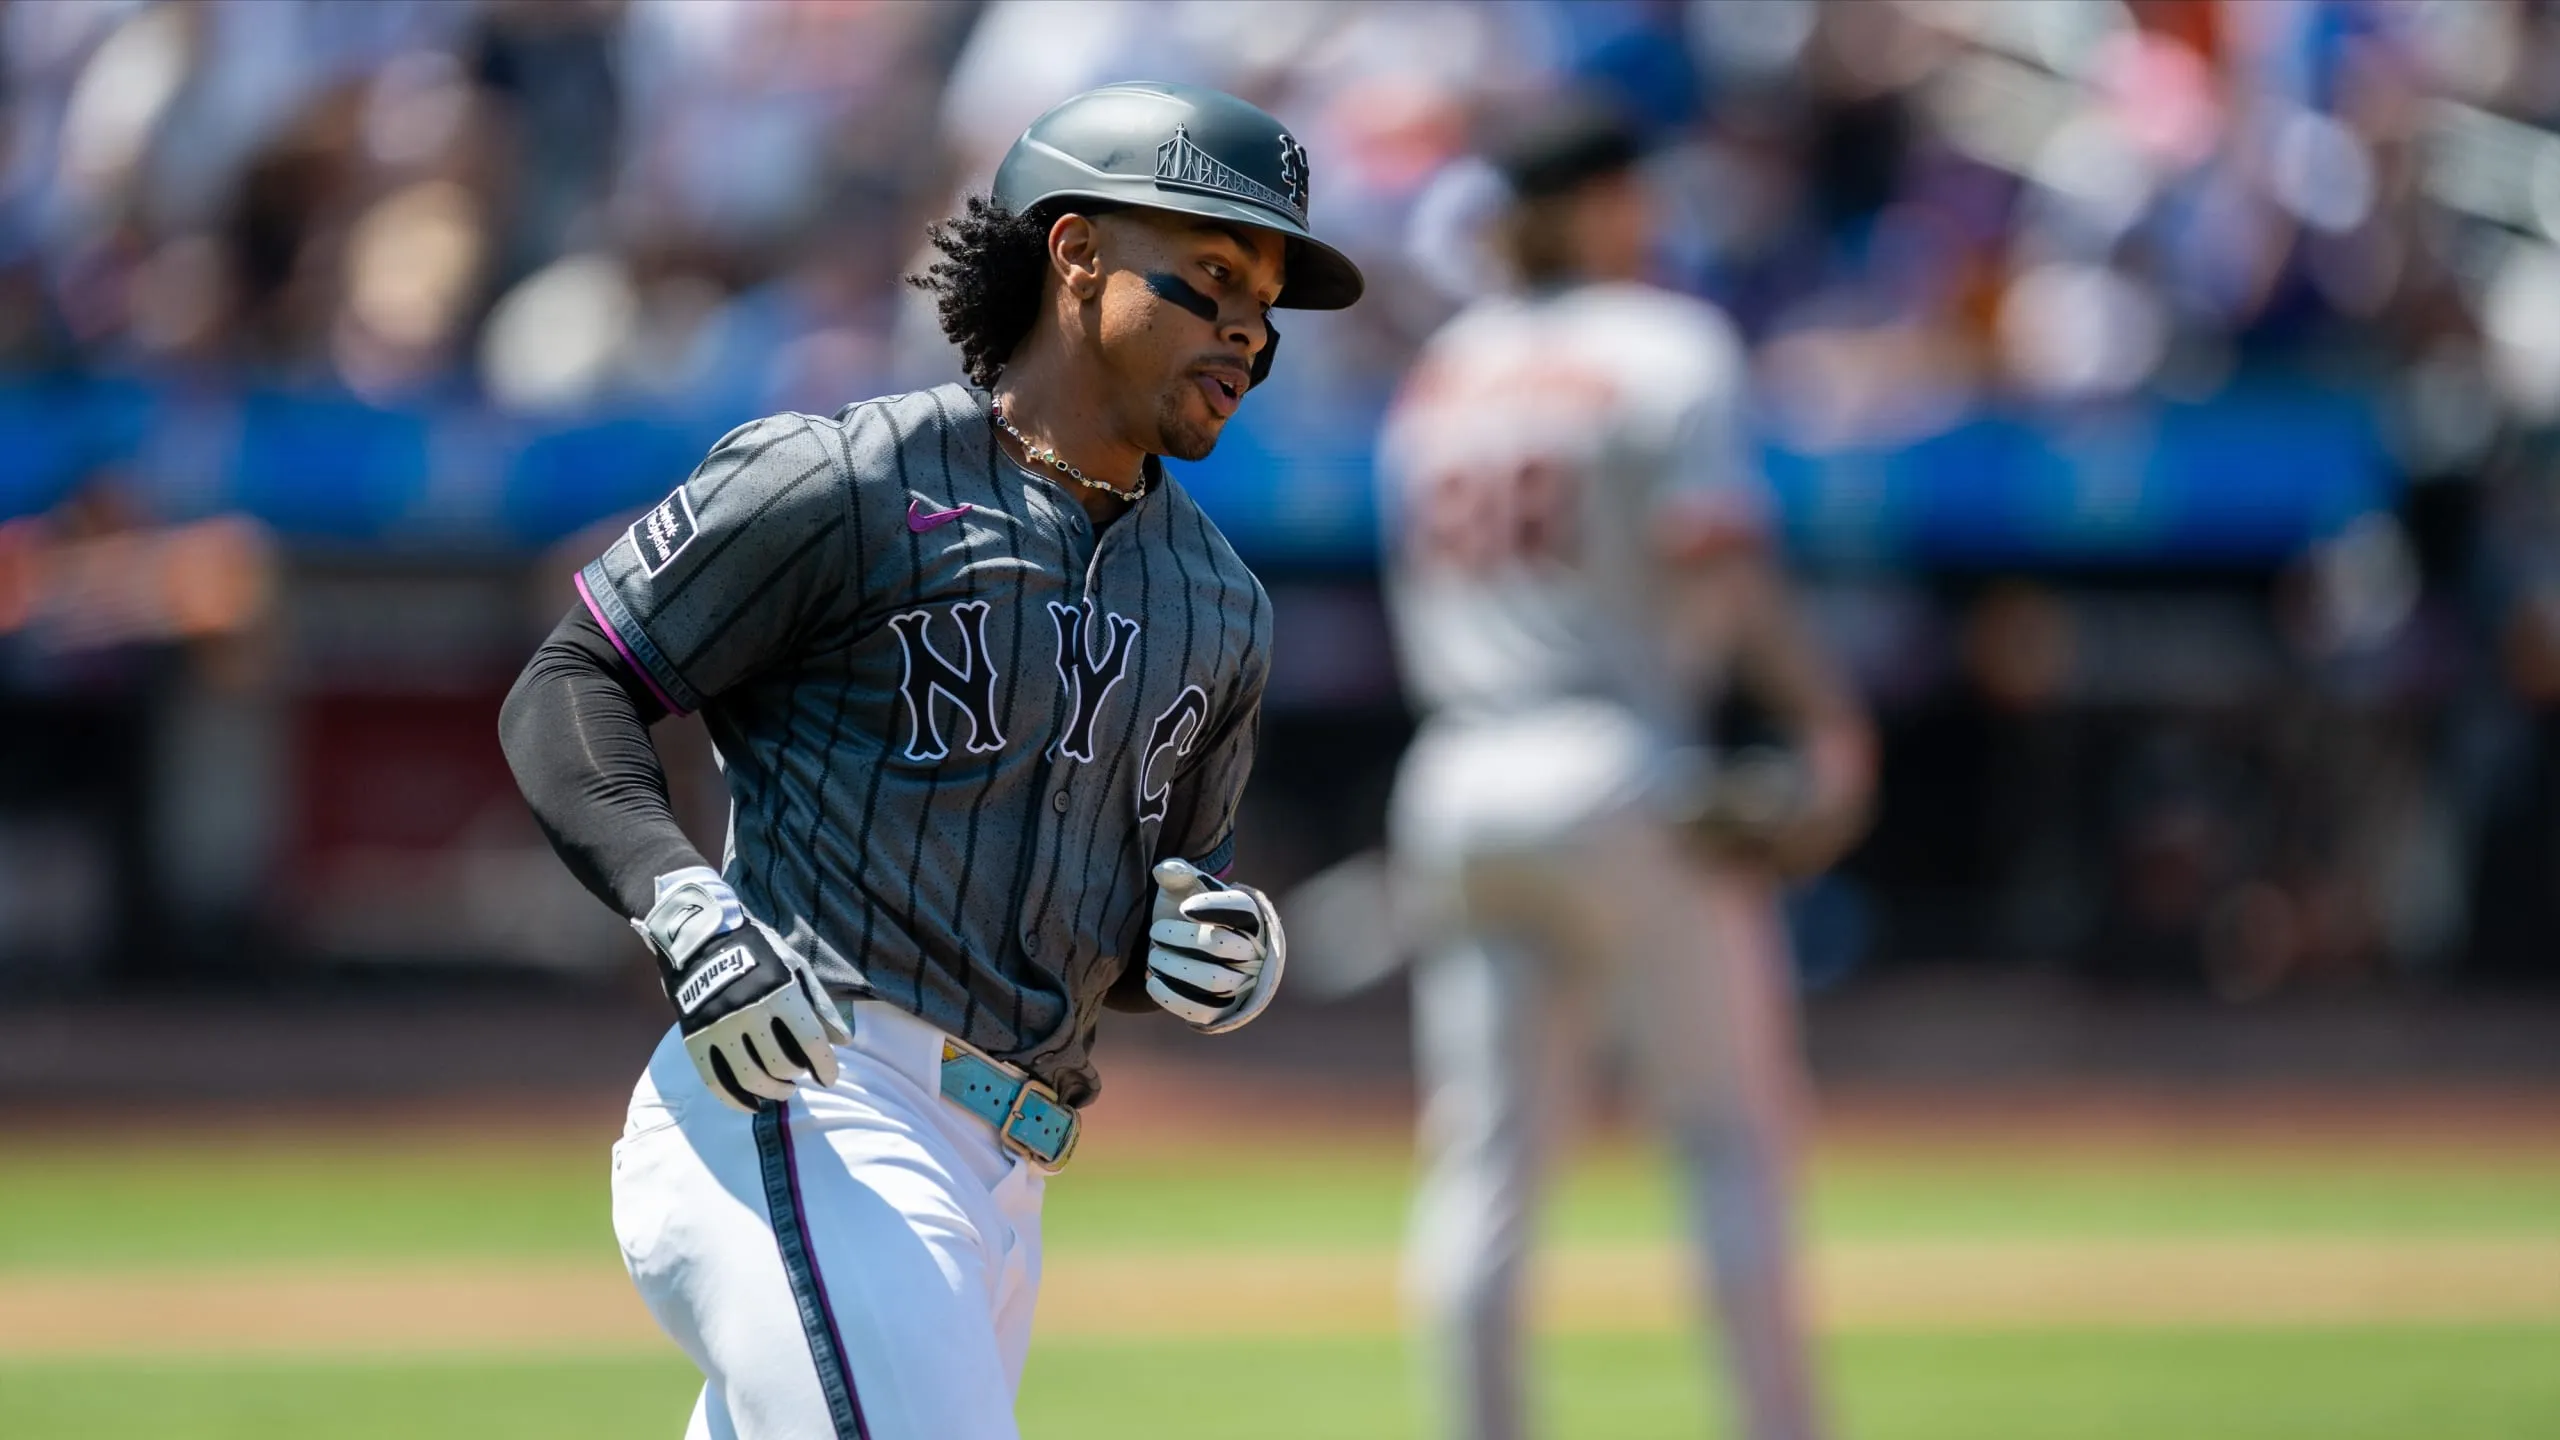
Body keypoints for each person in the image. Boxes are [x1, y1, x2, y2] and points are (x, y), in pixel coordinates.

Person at [499, 80, 1361, 1440]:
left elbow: (1148, 907)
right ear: (1074, 254)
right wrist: (682, 907)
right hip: (814, 1102)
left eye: (1267, 302)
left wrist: (1208, 951)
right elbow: (571, 681)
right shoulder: (845, 479)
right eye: (1209, 279)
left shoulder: (1220, 601)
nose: (1249, 330)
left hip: (1003, 1178)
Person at [1378, 96, 1873, 1440]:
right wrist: (1825, 725)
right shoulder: (1661, 343)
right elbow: (1721, 556)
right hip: (1617, 761)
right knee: (1725, 1133)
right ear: (1601, 205)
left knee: (1484, 1172)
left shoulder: (1443, 374)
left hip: (1460, 772)